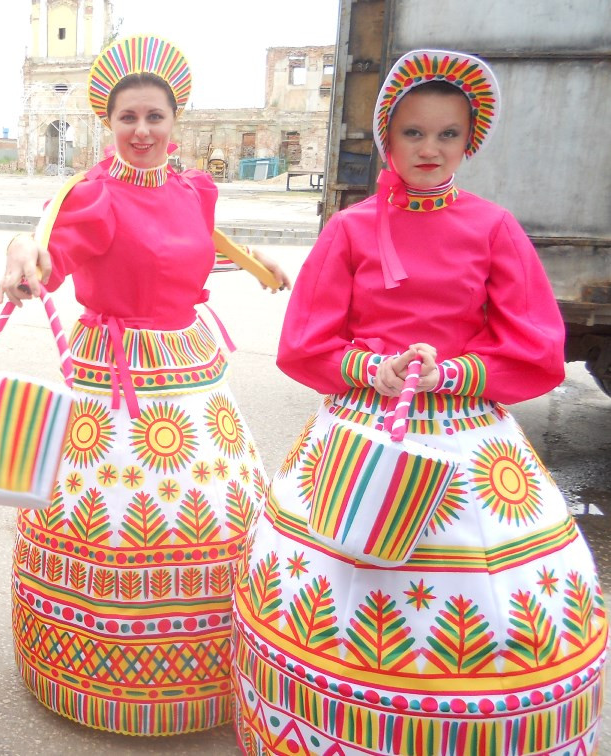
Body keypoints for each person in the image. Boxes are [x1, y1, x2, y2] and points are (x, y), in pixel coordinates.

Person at [232, 50, 607, 755]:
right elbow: (304, 345)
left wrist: (452, 374)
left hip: (470, 444)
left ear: (469, 140)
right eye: (412, 133)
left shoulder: (494, 227)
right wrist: (372, 370)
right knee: (332, 590)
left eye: (446, 134)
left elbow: (533, 348)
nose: (429, 149)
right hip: (361, 433)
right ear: (386, 139)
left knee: (502, 618)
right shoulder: (348, 229)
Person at [0, 35, 291, 736]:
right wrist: (21, 256)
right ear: (107, 122)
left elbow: (190, 246)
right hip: (115, 378)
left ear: (174, 121)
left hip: (191, 374)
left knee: (210, 518)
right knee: (114, 523)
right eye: (126, 117)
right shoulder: (89, 195)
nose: (140, 131)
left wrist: (254, 263)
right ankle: (96, 673)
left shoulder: (195, 187)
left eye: (153, 117)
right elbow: (47, 245)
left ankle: (203, 674)